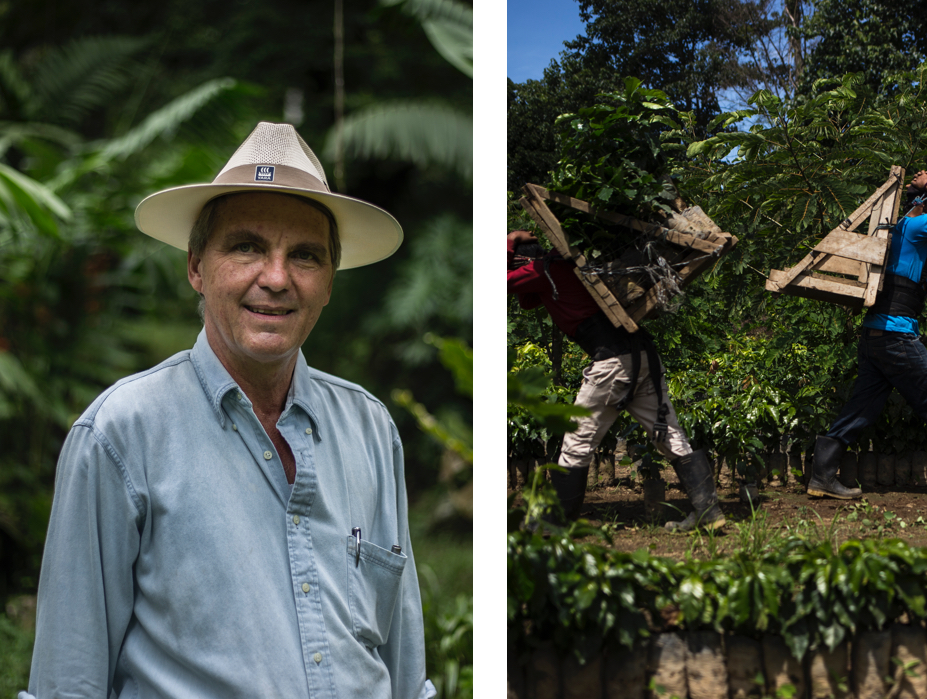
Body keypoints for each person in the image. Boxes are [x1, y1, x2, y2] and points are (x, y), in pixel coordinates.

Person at [21, 122, 435, 699]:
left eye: (306, 256)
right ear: (196, 267)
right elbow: (70, 681)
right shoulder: (121, 433)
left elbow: (405, 667)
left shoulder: (369, 427)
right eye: (246, 247)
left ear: (329, 282)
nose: (275, 278)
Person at [507, 229, 725, 532]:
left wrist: (510, 241)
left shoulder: (545, 270)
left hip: (612, 362)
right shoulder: (570, 266)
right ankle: (709, 512)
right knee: (669, 434)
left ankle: (556, 523)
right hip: (644, 355)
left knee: (577, 439)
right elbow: (528, 300)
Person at [809, 170, 927, 500]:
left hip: (873, 337)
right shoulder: (917, 229)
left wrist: (921, 195)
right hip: (897, 337)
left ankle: (822, 476)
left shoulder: (898, 230)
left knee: (862, 408)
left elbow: (919, 210)